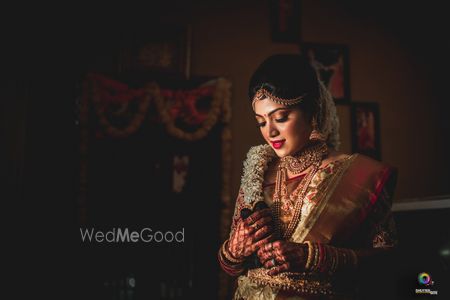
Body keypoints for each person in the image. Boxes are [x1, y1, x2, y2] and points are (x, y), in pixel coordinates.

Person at [217, 54, 398, 299]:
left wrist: (315, 257)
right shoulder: (257, 175)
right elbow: (230, 267)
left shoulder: (358, 175)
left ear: (311, 110)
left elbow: (387, 262)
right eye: (261, 122)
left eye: (281, 118)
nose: (270, 131)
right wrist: (234, 251)